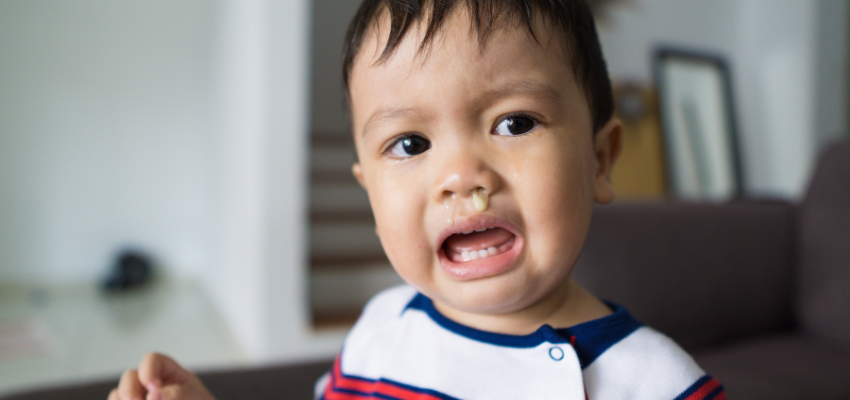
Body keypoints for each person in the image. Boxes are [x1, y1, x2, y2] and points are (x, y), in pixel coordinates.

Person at [110, 0, 725, 399]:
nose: (460, 176)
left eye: (514, 123)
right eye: (409, 142)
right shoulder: (383, 331)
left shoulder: (654, 381)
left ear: (599, 159)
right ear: (369, 192)